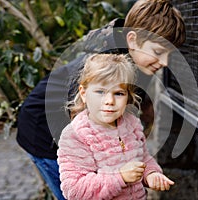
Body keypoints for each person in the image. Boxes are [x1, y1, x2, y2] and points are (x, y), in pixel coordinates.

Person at [16, 0, 185, 199]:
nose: (165, 62)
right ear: (132, 40)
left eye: (169, 55)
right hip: (43, 131)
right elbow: (84, 128)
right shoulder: (104, 64)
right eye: (158, 52)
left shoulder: (133, 54)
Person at [57, 53, 174, 200]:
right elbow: (74, 190)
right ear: (84, 93)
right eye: (100, 92)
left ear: (128, 96)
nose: (109, 101)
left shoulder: (131, 124)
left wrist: (151, 174)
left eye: (118, 93)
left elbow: (143, 158)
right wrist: (119, 177)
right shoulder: (75, 136)